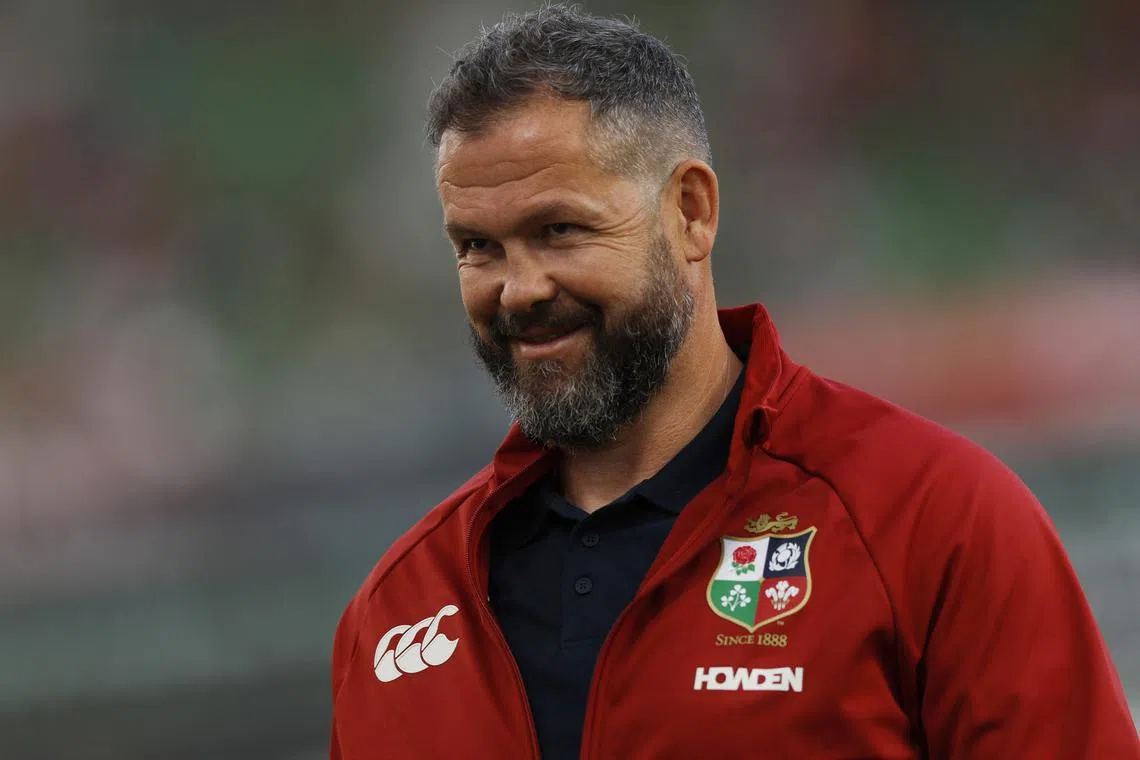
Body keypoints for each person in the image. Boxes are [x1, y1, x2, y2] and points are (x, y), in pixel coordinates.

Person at [329, 6, 1140, 759]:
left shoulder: (933, 520)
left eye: (559, 229)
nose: (519, 289)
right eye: (478, 246)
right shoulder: (398, 608)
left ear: (690, 211)